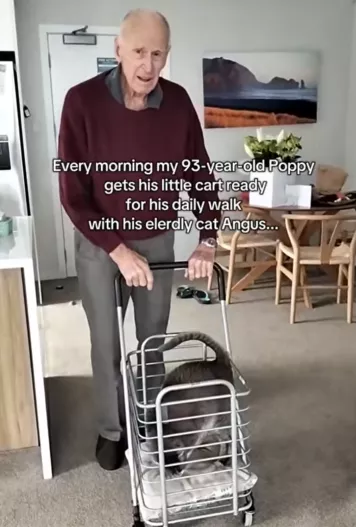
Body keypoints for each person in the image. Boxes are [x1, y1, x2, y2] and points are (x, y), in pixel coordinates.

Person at [57, 8, 221, 471]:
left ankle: (148, 423)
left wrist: (208, 237)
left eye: (157, 54)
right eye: (138, 52)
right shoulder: (81, 102)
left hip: (156, 239)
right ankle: (112, 431)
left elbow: (200, 174)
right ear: (118, 50)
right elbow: (73, 192)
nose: (148, 65)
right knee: (105, 343)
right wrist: (117, 249)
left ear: (167, 56)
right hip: (100, 245)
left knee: (153, 341)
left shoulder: (179, 103)